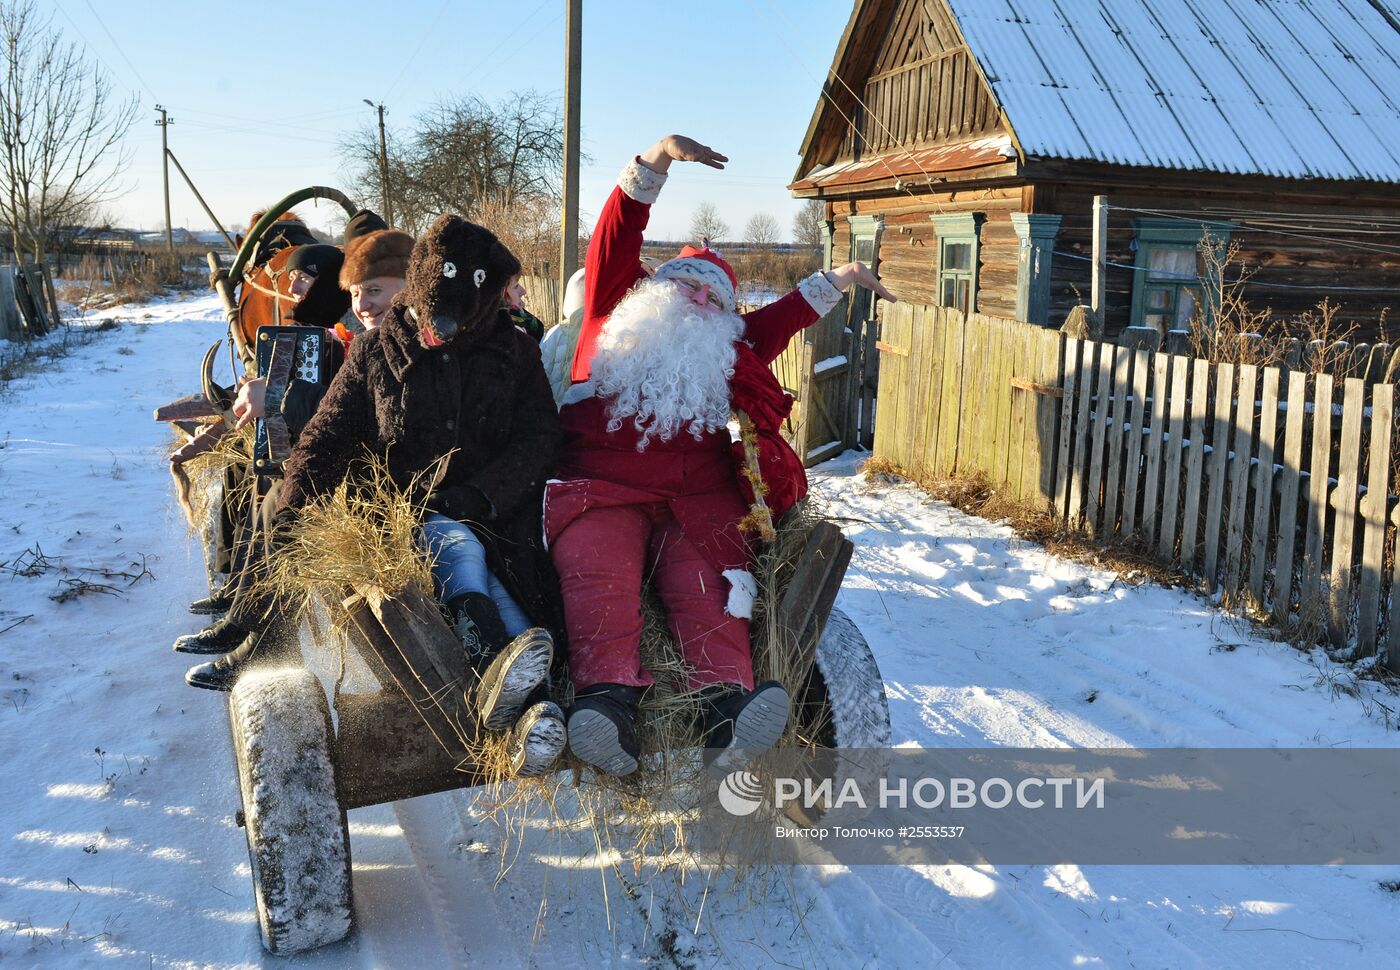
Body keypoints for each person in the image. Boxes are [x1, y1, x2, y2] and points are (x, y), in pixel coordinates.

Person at [547, 134, 895, 777]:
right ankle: (607, 702)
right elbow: (614, 238)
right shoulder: (609, 316)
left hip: (699, 501)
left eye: (711, 297)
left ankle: (727, 705)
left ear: (726, 317)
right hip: (599, 487)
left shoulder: (728, 351)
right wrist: (653, 162)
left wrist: (842, 278)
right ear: (653, 287)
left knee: (713, 584)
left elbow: (784, 318)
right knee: (601, 574)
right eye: (683, 286)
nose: (694, 301)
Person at [188, 215, 568, 777]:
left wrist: (484, 495)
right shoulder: (376, 354)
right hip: (410, 515)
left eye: (457, 314)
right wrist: (293, 504)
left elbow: (540, 437)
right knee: (448, 549)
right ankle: (508, 687)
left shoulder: (512, 352)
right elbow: (327, 433)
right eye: (430, 311)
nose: (441, 327)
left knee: (501, 574)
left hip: (498, 511)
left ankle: (528, 702)